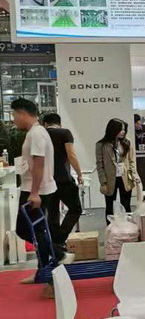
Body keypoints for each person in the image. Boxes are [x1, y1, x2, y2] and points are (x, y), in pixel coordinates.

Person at [11, 97, 67, 284]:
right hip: (35, 188)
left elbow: (39, 163)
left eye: (14, 115)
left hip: (36, 190)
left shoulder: (37, 134)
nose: (13, 119)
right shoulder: (36, 133)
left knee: (29, 230)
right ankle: (44, 270)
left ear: (22, 113)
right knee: (36, 231)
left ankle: (56, 256)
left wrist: (34, 193)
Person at [41, 112, 83, 247]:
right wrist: (79, 173)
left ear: (45, 124)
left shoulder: (41, 135)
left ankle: (55, 244)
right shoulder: (65, 133)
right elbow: (71, 155)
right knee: (75, 209)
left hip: (46, 180)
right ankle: (60, 238)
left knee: (52, 213)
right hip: (64, 179)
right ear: (59, 123)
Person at [95, 118, 138, 218]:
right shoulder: (101, 145)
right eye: (120, 129)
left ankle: (128, 225)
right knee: (110, 206)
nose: (123, 132)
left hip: (125, 177)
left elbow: (131, 160)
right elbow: (100, 165)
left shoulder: (127, 143)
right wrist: (103, 182)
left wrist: (133, 174)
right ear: (113, 129)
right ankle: (111, 226)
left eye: (124, 129)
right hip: (110, 178)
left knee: (126, 205)